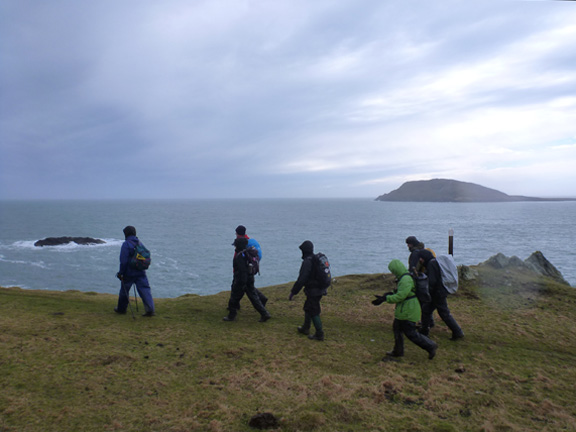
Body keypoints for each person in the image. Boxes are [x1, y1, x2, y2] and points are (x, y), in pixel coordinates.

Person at [372, 259, 437, 359]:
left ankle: (430, 346)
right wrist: (385, 296)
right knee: (397, 329)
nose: (392, 273)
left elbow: (401, 296)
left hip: (408, 310)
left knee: (410, 333)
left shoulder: (405, 280)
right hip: (404, 309)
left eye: (393, 270)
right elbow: (400, 293)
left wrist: (386, 298)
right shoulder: (404, 277)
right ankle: (398, 351)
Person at [416, 250, 465, 341]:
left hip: (438, 292)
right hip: (440, 290)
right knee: (427, 310)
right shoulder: (435, 262)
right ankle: (424, 330)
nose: (420, 260)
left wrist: (426, 292)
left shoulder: (431, 264)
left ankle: (458, 331)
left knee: (443, 312)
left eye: (421, 258)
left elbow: (432, 281)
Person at [223, 237, 271, 322]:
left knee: (234, 298)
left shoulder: (239, 256)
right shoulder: (247, 254)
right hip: (250, 278)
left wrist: (241, 283)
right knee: (253, 297)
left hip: (242, 280)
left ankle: (231, 316)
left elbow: (242, 271)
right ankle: (264, 313)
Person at [288, 240, 326, 341]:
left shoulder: (307, 262)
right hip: (319, 289)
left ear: (304, 251)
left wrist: (293, 292)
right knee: (308, 307)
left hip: (314, 290)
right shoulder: (315, 259)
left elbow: (302, 279)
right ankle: (305, 327)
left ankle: (319, 333)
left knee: (313, 311)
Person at [115, 226, 155, 317]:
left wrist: (121, 273)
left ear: (126, 234)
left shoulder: (126, 244)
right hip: (140, 271)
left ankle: (121, 309)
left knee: (124, 291)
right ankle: (150, 309)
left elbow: (123, 261)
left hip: (129, 273)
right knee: (145, 289)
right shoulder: (139, 243)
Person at [234, 225, 267, 306]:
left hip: (243, 270)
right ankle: (234, 306)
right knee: (247, 287)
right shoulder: (249, 241)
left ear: (237, 233)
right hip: (249, 269)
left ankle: (262, 304)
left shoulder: (242, 242)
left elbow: (239, 257)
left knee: (245, 288)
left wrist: (236, 269)